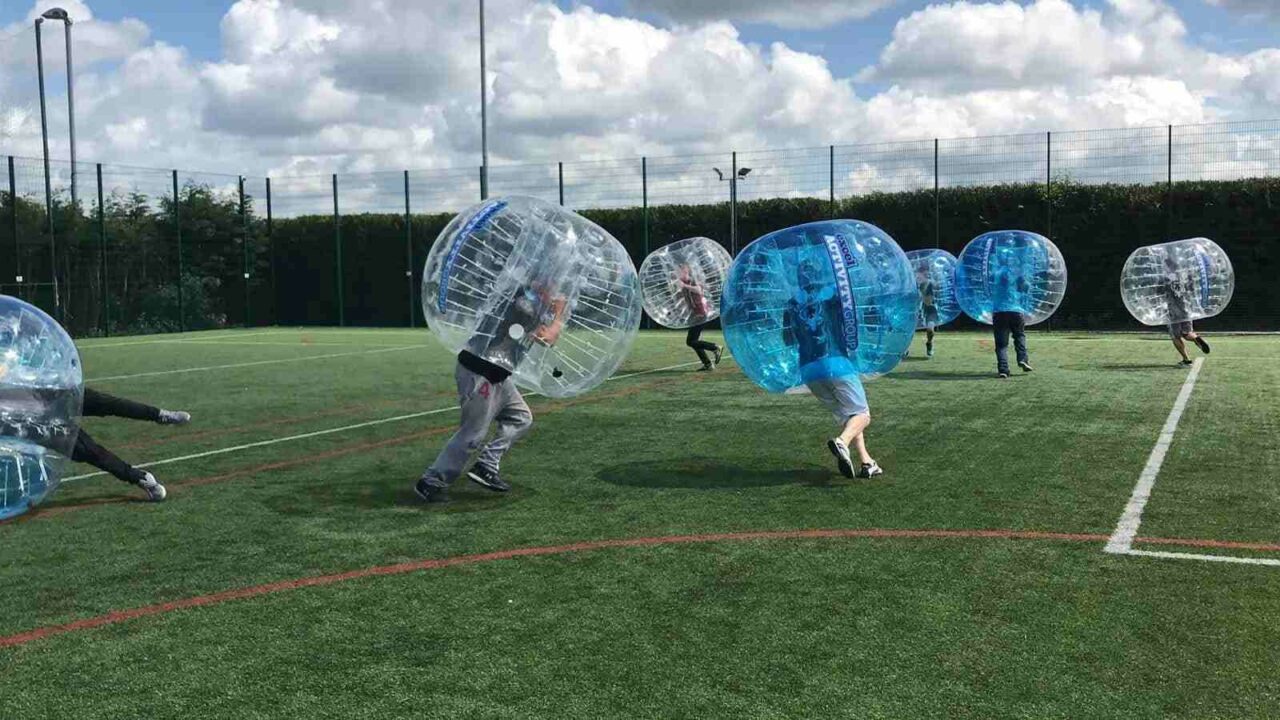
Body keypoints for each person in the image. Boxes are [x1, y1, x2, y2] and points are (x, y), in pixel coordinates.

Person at [414, 281, 568, 503]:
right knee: (472, 434)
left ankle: (485, 465)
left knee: (521, 418)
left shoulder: (536, 305)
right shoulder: (524, 300)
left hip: (498, 374)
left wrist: (554, 316)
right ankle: (430, 481)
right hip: (479, 370)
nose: (556, 293)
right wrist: (557, 314)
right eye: (553, 287)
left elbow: (547, 338)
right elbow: (543, 331)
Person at [783, 258, 882, 479]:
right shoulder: (834, 297)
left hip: (808, 369)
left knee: (850, 416)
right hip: (835, 362)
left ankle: (867, 462)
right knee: (863, 415)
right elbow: (853, 316)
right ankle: (842, 442)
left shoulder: (790, 303)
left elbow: (788, 339)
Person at [73, 388, 191, 501]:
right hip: (53, 416)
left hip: (63, 392)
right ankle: (139, 478)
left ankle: (160, 415)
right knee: (87, 450)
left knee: (110, 403)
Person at [1161, 255, 1212, 366]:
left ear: (1167, 266)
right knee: (1187, 332)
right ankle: (1197, 338)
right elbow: (1192, 289)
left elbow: (1159, 291)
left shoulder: (1165, 277)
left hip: (1173, 310)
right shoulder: (1185, 275)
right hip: (1186, 307)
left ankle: (1186, 359)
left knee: (1175, 336)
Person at [990, 253, 1032, 379]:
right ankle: (1022, 359)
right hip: (1015, 311)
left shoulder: (996, 274)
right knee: (1019, 336)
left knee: (1001, 344)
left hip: (999, 312)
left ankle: (1003, 369)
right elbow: (1027, 287)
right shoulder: (1018, 274)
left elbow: (989, 289)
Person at [675, 265, 722, 370]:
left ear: (686, 271)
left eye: (680, 271)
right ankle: (708, 364)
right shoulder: (683, 284)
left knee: (691, 341)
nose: (678, 273)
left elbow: (699, 290)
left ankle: (715, 348)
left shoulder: (692, 281)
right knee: (694, 341)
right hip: (695, 314)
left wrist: (684, 286)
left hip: (701, 313)